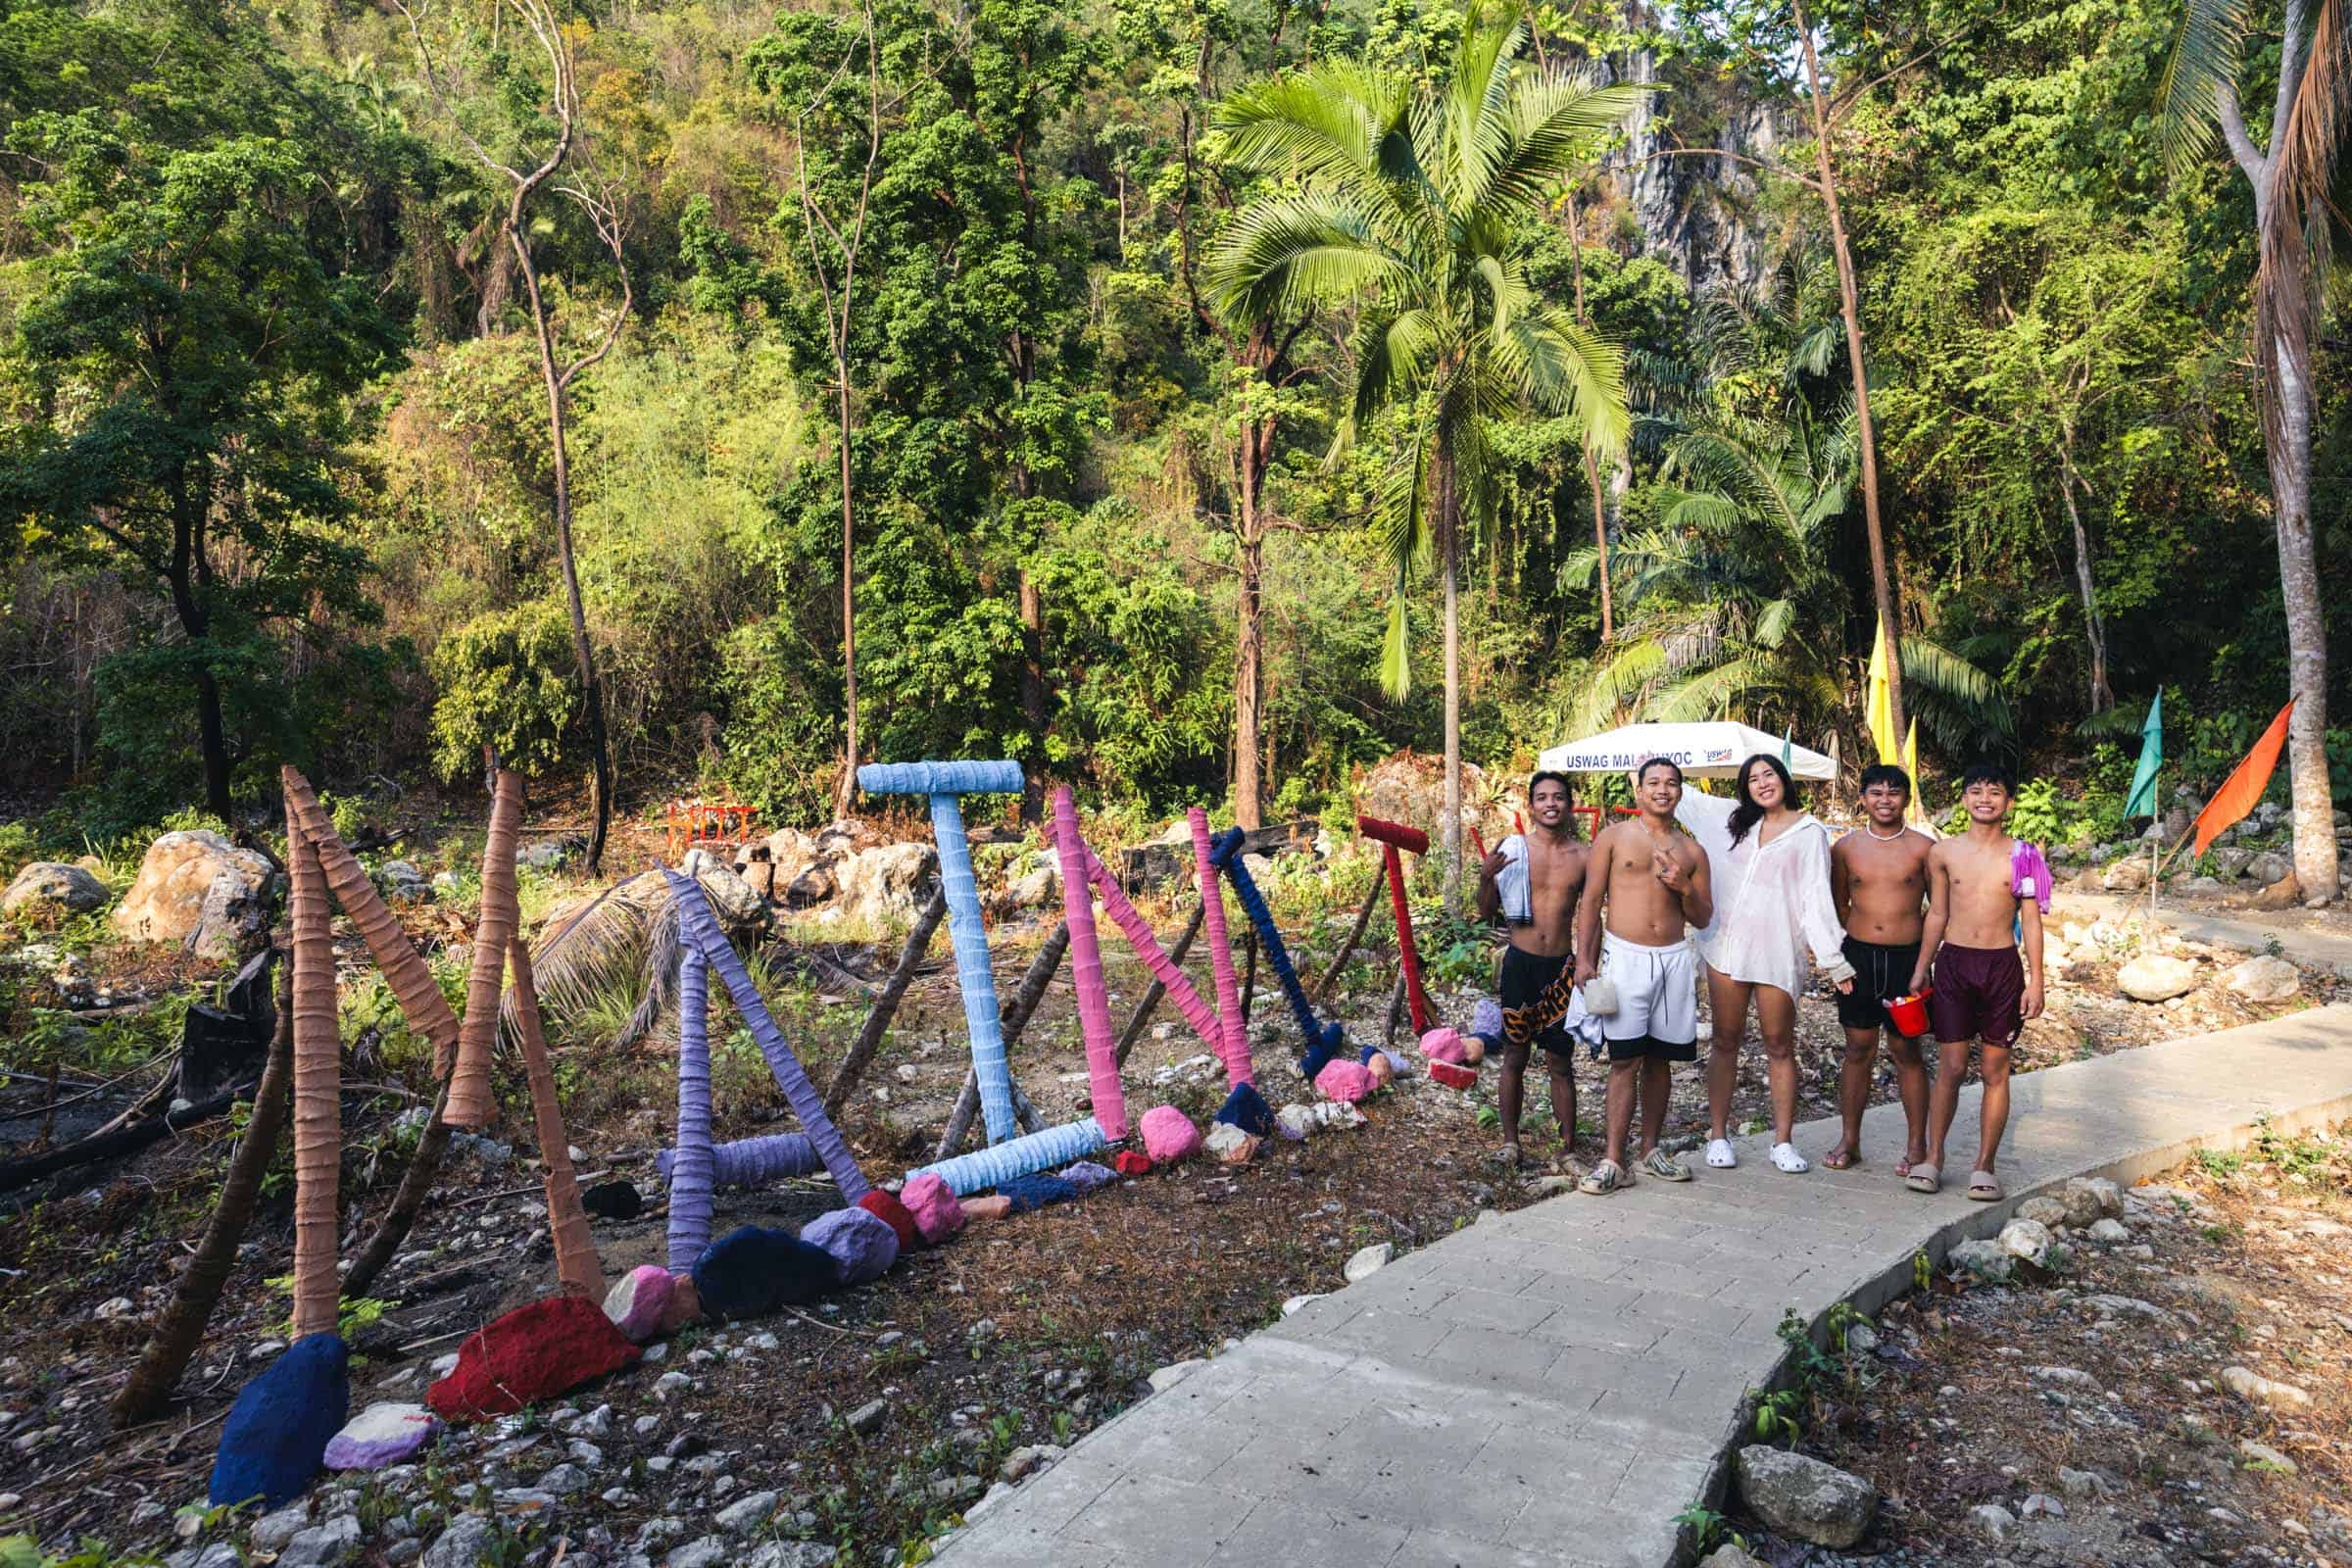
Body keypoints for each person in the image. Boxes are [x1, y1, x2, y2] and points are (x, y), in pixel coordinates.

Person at [1674, 755, 1854, 1175]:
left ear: (1783, 779)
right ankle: (1718, 1135)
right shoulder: (1731, 818)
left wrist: (1834, 960)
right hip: (1726, 949)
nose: (1761, 783)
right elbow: (1682, 798)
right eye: (1752, 778)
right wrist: (1645, 759)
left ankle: (1783, 1141)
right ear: (1745, 787)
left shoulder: (1809, 832)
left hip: (1777, 951)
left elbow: (1815, 898)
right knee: (1724, 1041)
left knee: (1779, 1045)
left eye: (1768, 774)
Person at [1571, 758, 1714, 1196]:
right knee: (1624, 1059)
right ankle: (1614, 1159)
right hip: (1625, 957)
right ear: (1639, 790)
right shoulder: (1613, 837)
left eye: (1671, 784)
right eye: (1654, 782)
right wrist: (1584, 959)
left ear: (1680, 793)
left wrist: (1683, 887)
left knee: (1661, 1058)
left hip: (1673, 958)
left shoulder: (1692, 852)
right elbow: (1592, 900)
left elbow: (1704, 916)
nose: (1662, 790)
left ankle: (1650, 1150)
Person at [1907, 761, 2047, 1200]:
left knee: (1995, 1069)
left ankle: (1985, 1165)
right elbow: (1938, 913)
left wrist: (2037, 980)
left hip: (2002, 966)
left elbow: (2032, 920)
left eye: (1995, 792)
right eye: (1976, 791)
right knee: (1949, 1066)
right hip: (1954, 964)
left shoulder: (2025, 853)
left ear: (2009, 802)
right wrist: (1921, 967)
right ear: (1964, 799)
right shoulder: (1944, 852)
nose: (1985, 799)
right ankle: (1933, 1158)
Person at [1477, 772, 1591, 1170]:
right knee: (1514, 1056)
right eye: (1542, 797)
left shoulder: (1583, 857)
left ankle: (1567, 1149)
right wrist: (1486, 876)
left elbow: (1591, 916)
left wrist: (1590, 963)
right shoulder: (1512, 850)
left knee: (1561, 1061)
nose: (1550, 804)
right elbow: (1486, 912)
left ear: (1569, 805)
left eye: (1558, 797)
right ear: (1531, 806)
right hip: (1520, 963)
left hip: (1560, 969)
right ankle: (1511, 1143)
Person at [1827, 764, 1935, 1174]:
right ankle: (1849, 1140)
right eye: (1876, 792)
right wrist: (1839, 960)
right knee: (1857, 1049)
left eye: (1893, 792)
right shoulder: (1846, 848)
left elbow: (1937, 909)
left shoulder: (1925, 849)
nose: (1885, 800)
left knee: (1907, 1050)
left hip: (1907, 960)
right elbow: (1837, 904)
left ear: (1906, 798)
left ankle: (1916, 1146)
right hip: (1858, 958)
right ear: (1863, 799)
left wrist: (1924, 964)